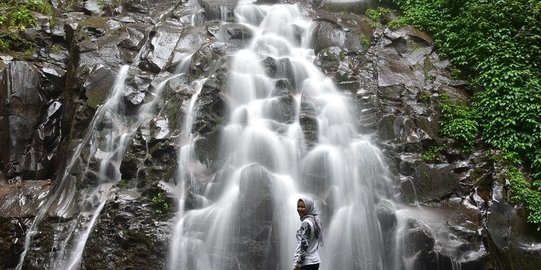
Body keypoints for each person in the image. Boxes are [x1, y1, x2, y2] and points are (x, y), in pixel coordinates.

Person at [293, 196, 323, 270]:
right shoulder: (316, 221)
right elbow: (315, 242)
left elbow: (304, 246)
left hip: (305, 264)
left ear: (309, 207)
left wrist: (299, 263)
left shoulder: (306, 223)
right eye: (298, 206)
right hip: (315, 261)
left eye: (303, 207)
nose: (299, 209)